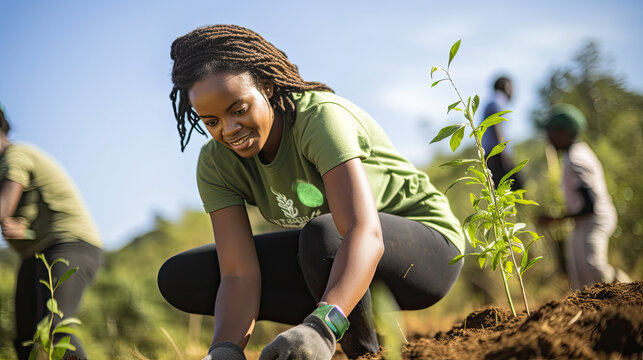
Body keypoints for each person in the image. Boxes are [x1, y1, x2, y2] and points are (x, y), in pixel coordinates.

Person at [157, 25, 464, 360]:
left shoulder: (319, 119)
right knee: (182, 277)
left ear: (267, 86)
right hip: (333, 257)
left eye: (239, 110)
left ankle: (361, 352)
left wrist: (320, 328)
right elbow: (238, 273)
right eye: (211, 121)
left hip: (426, 250)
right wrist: (224, 350)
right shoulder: (216, 164)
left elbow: (365, 233)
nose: (229, 130)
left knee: (323, 235)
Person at [0, 105, 103, 359]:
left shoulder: (16, 155)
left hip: (71, 245)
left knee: (56, 326)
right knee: (25, 337)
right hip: (36, 253)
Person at [538, 104, 630, 290]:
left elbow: (590, 204)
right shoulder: (574, 154)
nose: (548, 137)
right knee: (579, 277)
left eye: (551, 132)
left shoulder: (576, 158)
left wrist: (557, 219)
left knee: (593, 269)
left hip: (593, 219)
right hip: (583, 221)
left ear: (566, 132)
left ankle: (631, 292)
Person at [480, 76, 523, 189]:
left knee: (499, 188)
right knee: (515, 187)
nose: (513, 92)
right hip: (497, 154)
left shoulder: (492, 101)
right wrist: (504, 153)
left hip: (491, 154)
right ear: (505, 86)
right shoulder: (497, 101)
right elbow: (497, 127)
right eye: (511, 87)